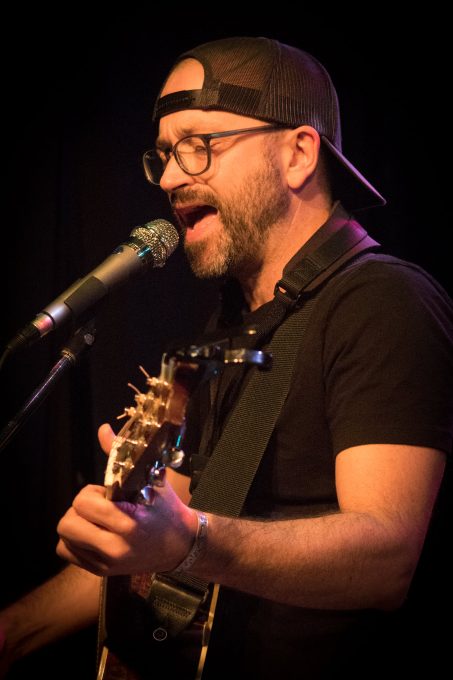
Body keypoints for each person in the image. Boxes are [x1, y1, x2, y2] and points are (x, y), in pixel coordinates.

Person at [1, 36, 452, 679]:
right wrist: (12, 635)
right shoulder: (229, 327)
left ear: (298, 154)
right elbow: (172, 522)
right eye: (162, 156)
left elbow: (387, 559)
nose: (171, 177)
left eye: (198, 145)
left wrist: (190, 544)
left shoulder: (385, 301)